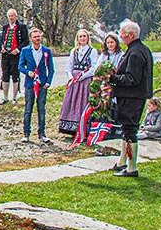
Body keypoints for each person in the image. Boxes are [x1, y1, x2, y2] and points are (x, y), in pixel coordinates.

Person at [108, 20, 154, 177]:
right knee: (126, 129)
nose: (120, 37)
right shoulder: (142, 49)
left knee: (130, 130)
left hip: (131, 97)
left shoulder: (135, 53)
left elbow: (131, 78)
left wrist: (113, 78)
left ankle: (132, 167)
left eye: (123, 34)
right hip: (133, 96)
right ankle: (122, 161)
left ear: (131, 35)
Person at [58, 29, 99, 136]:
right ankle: (70, 126)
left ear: (88, 38)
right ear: (77, 38)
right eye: (80, 36)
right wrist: (71, 77)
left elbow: (94, 67)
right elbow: (69, 66)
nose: (82, 38)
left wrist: (83, 76)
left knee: (83, 101)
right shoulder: (74, 51)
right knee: (71, 101)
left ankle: (83, 127)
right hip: (74, 81)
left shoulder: (92, 51)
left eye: (84, 36)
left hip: (85, 81)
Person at [18, 27, 54, 143]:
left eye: (39, 36)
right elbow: (20, 66)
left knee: (41, 109)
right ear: (31, 38)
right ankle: (26, 133)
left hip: (42, 84)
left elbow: (51, 69)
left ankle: (42, 133)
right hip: (30, 84)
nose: (37, 39)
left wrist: (48, 82)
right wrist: (28, 72)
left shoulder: (46, 51)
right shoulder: (25, 50)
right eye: (35, 37)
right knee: (28, 109)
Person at [0, 9, 29, 105]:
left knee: (15, 75)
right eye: (9, 16)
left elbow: (25, 41)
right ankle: (5, 97)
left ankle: (14, 98)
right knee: (5, 74)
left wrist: (18, 49)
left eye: (12, 16)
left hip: (16, 55)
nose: (11, 18)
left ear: (16, 16)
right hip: (5, 54)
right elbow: (2, 39)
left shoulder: (22, 27)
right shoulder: (5, 27)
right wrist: (2, 47)